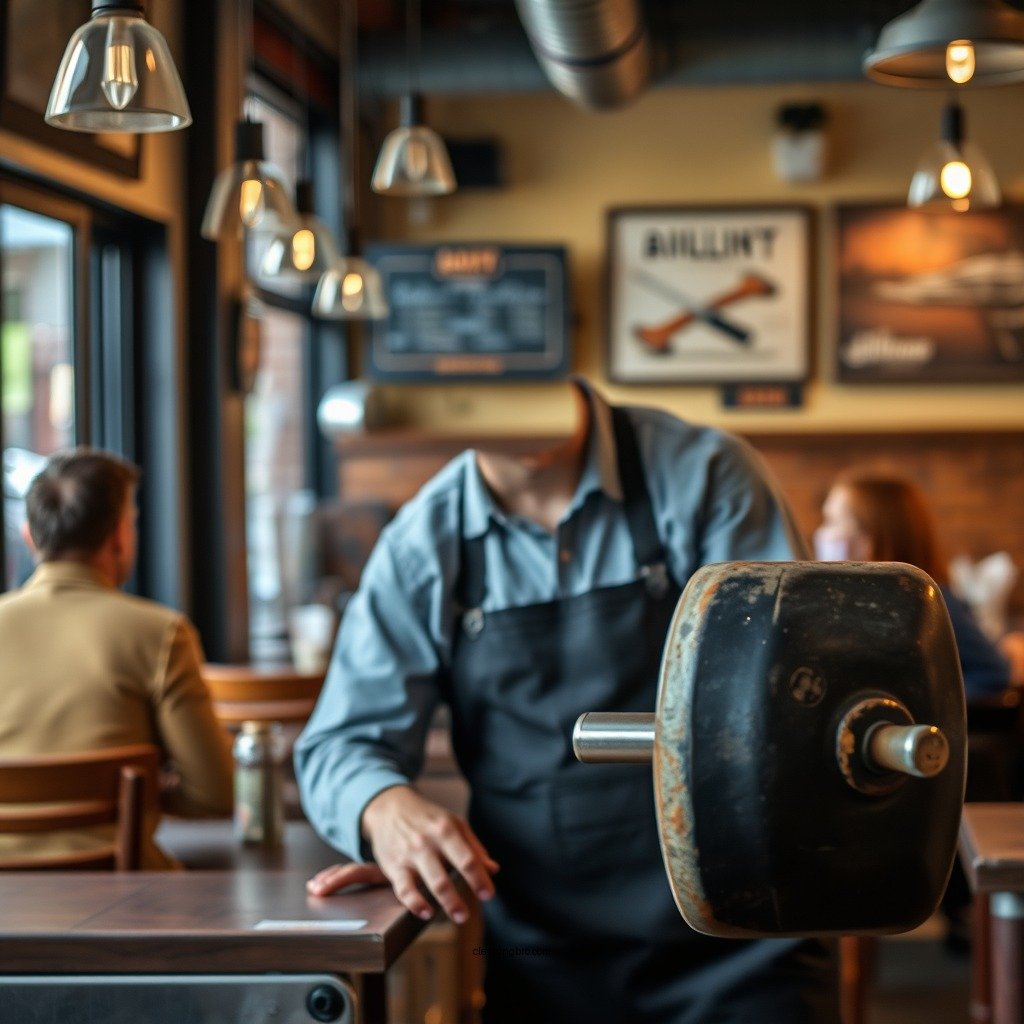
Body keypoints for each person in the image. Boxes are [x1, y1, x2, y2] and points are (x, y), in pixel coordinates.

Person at [296, 377, 838, 1024]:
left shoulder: (705, 475)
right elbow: (338, 744)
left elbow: (795, 698)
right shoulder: (425, 544)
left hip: (745, 946)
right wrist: (384, 811)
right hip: (547, 963)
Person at [0, 448, 233, 868]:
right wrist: (133, 797)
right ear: (120, 536)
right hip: (122, 897)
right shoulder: (160, 634)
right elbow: (214, 795)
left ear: (29, 536)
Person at [814, 472, 1011, 698]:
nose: (822, 533)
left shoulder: (929, 601)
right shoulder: (848, 603)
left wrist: (925, 705)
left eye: (833, 521)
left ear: (870, 538)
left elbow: (993, 673)